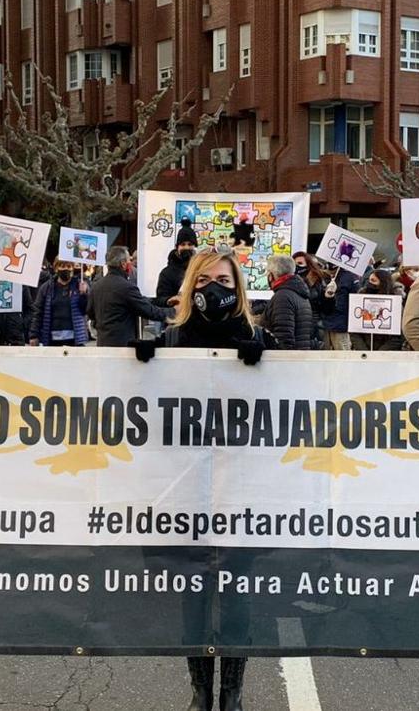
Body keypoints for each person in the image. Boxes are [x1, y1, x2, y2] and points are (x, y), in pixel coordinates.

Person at [132, 247, 275, 711]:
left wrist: (269, 357)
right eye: (207, 279)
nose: (216, 287)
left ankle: (232, 691)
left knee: (235, 596)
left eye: (226, 281)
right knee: (193, 595)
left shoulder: (259, 336)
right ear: (192, 284)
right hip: (186, 491)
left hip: (241, 490)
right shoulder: (171, 341)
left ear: (239, 290)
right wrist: (140, 369)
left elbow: (296, 400)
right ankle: (200, 691)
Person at [87, 246, 173, 347]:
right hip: (123, 346)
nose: (131, 263)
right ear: (123, 264)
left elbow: (91, 313)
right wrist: (173, 312)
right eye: (129, 260)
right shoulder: (127, 287)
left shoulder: (96, 286)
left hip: (102, 344)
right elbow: (148, 311)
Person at [29, 260, 90, 347]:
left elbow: (85, 310)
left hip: (75, 340)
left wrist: (83, 294)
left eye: (69, 266)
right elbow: (38, 312)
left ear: (72, 268)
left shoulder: (79, 286)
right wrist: (33, 335)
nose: (65, 269)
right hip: (52, 340)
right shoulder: (46, 288)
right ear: (56, 268)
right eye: (62, 266)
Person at [264, 254, 316, 350]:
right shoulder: (300, 293)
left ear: (272, 275)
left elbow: (283, 339)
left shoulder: (283, 297)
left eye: (267, 272)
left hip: (286, 361)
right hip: (299, 357)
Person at [318, 262, 361, 350]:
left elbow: (356, 302)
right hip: (326, 323)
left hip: (341, 325)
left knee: (342, 356)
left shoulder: (349, 278)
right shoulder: (325, 277)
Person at [156, 219, 197, 307]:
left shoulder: (202, 268)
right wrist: (169, 300)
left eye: (190, 244)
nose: (186, 247)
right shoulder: (166, 273)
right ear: (177, 247)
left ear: (195, 246)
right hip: (176, 316)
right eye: (183, 244)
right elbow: (159, 299)